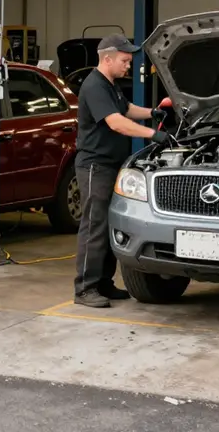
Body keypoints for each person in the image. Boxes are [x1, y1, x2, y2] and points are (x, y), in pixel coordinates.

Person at [73, 34, 168, 308]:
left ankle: (103, 283)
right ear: (108, 58)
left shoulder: (110, 85)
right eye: (125, 61)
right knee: (95, 226)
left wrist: (153, 112)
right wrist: (154, 135)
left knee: (110, 223)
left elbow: (126, 109)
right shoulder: (94, 86)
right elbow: (116, 122)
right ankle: (85, 288)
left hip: (113, 165)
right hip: (95, 166)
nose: (128, 66)